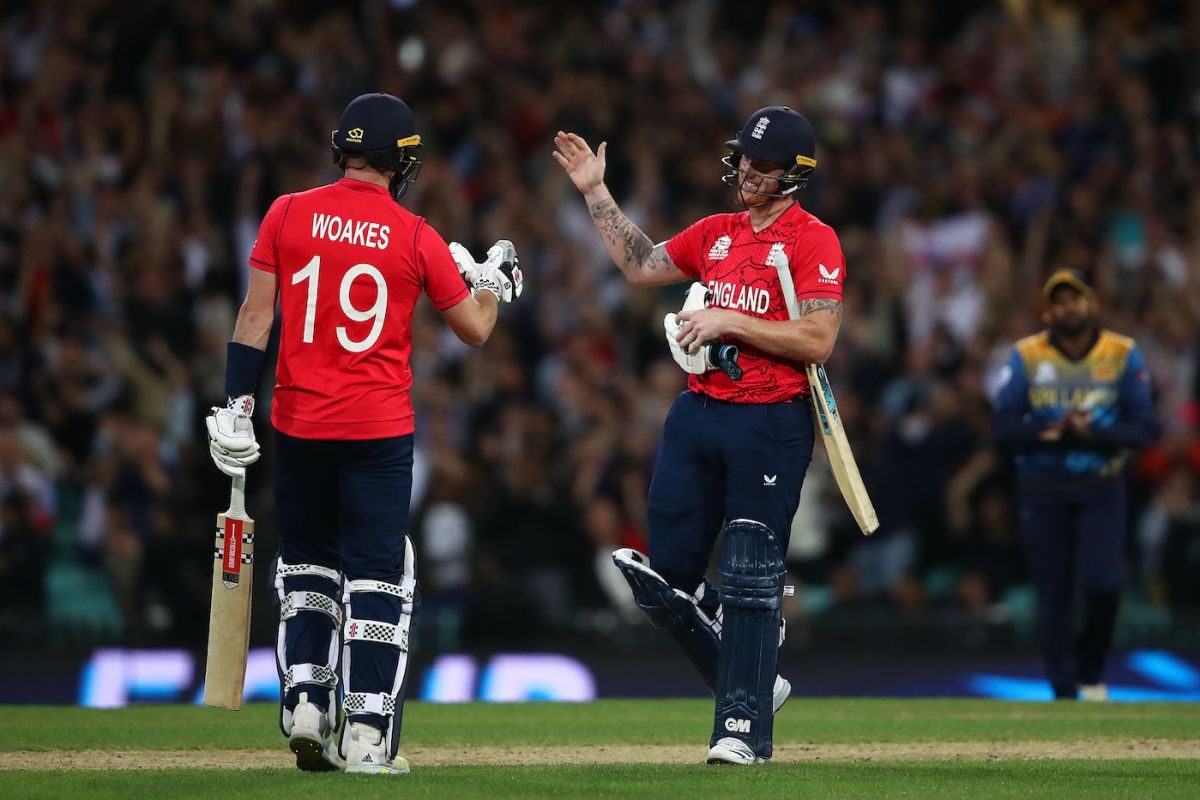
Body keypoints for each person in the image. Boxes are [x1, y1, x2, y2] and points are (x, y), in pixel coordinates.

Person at [205, 93, 522, 774]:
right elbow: (476, 328)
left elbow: (256, 319)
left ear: (340, 150)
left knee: (308, 563)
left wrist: (237, 405)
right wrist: (494, 281)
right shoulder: (414, 234)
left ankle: (307, 704)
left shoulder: (286, 212)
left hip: (299, 424)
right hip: (376, 430)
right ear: (401, 161)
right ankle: (368, 731)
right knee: (380, 574)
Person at [553, 106, 844, 765]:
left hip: (771, 417)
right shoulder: (715, 233)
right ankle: (751, 673)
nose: (746, 170)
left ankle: (740, 728)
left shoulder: (812, 240)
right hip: (698, 412)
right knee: (670, 571)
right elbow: (641, 266)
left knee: (751, 563)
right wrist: (597, 191)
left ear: (794, 175)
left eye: (761, 164)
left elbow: (818, 339)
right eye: (743, 157)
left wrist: (727, 321)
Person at [992, 270, 1158, 700]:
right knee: (1053, 594)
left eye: (1076, 299)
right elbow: (1004, 426)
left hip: (1100, 483)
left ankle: (1091, 670)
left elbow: (1142, 429)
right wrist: (1054, 431)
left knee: (1104, 584)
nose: (1069, 308)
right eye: (1060, 301)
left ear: (1093, 304)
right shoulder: (1026, 355)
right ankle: (1065, 692)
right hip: (1042, 487)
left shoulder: (1122, 353)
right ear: (1049, 311)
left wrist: (1091, 437)